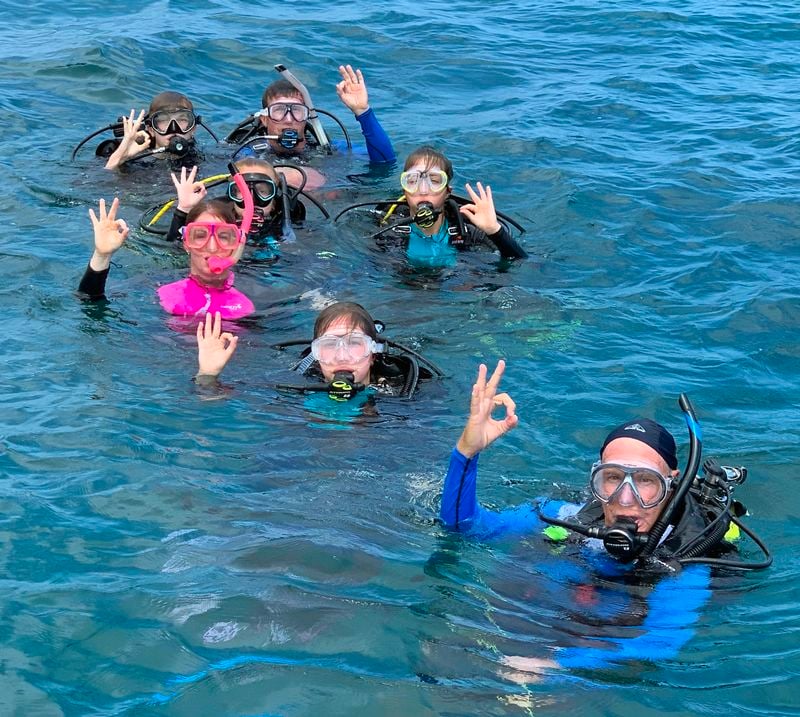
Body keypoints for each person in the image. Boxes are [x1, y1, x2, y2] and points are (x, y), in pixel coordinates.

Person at [440, 360, 768, 675]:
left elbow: (660, 643)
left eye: (645, 481)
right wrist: (466, 454)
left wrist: (556, 667)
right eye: (612, 478)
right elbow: (465, 529)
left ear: (670, 485)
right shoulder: (566, 515)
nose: (626, 499)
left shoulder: (689, 560)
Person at [195, 301, 442, 398]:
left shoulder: (403, 390)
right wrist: (208, 375)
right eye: (329, 346)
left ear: (373, 352)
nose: (342, 356)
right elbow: (220, 400)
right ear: (316, 354)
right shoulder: (298, 384)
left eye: (355, 344)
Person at [78, 196, 253, 320]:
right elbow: (89, 304)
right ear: (186, 243)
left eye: (223, 237)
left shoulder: (251, 299)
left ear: (237, 243)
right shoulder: (158, 292)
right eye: (200, 236)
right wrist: (102, 255)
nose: (213, 247)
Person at [231, 65, 395, 187]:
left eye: (297, 111)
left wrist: (363, 112)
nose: (289, 119)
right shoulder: (248, 153)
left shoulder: (330, 150)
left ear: (308, 116)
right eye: (279, 111)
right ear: (265, 119)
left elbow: (385, 163)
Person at [163, 159, 306, 249]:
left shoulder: (288, 215)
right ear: (231, 195)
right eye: (242, 192)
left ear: (275, 195)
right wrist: (184, 210)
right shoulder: (219, 220)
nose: (252, 200)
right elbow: (176, 252)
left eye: (262, 191)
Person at [102, 91, 203, 171]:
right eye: (163, 120)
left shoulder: (203, 161)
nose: (174, 129)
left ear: (193, 128)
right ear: (151, 129)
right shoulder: (136, 162)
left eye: (182, 120)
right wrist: (119, 157)